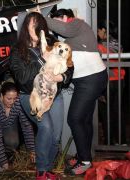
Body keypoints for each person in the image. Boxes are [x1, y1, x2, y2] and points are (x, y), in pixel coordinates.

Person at [43, 9, 108, 175]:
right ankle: (85, 156)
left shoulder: (76, 24)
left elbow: (63, 29)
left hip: (91, 80)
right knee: (84, 120)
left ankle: (85, 161)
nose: (56, 26)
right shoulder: (70, 38)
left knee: (74, 118)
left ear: (65, 18)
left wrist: (41, 18)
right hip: (88, 81)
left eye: (57, 20)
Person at [10, 12, 74, 179]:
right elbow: (22, 78)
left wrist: (62, 77)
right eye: (33, 24)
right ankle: (41, 171)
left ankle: (47, 169)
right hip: (30, 95)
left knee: (56, 135)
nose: (37, 28)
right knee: (46, 128)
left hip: (54, 95)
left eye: (40, 24)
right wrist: (43, 59)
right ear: (26, 27)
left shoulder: (52, 42)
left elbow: (69, 64)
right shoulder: (18, 50)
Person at [0, 81, 35, 172]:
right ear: (1, 95)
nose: (12, 102)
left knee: (13, 143)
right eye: (9, 98)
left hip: (8, 123)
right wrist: (3, 162)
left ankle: (6, 155)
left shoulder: (19, 102)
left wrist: (31, 150)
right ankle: (1, 160)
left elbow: (26, 125)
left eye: (15, 98)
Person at [97, 20, 126, 145]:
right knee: (118, 111)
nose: (97, 33)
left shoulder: (99, 46)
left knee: (106, 113)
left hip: (106, 82)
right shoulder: (117, 43)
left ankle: (109, 141)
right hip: (120, 80)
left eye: (98, 31)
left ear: (104, 30)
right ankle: (121, 141)